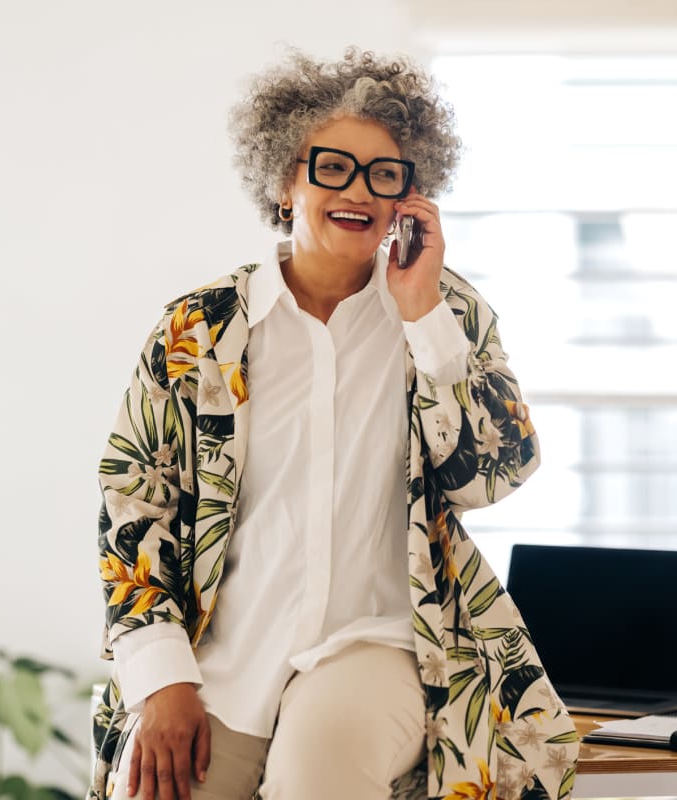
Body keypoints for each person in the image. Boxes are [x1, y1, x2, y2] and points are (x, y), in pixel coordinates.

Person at [90, 47, 578, 800]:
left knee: (319, 776)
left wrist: (422, 314)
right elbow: (134, 508)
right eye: (332, 167)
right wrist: (160, 682)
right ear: (286, 181)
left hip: (377, 642)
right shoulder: (199, 328)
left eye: (385, 173)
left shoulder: (446, 313)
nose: (359, 190)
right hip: (222, 652)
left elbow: (495, 475)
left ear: (407, 195)